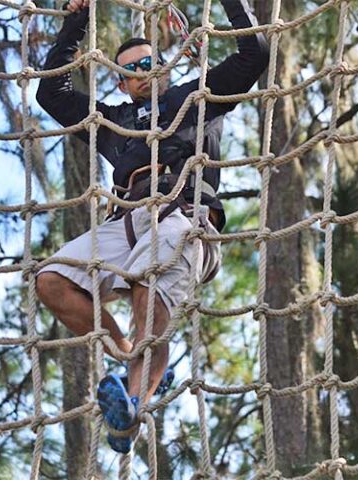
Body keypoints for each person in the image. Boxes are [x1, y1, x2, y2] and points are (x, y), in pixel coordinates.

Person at [35, 0, 268, 454]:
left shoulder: (196, 98)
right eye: (131, 70)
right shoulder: (114, 123)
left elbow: (254, 54)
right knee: (51, 280)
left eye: (149, 62)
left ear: (165, 64)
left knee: (148, 292)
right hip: (125, 223)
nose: (143, 71)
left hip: (183, 215)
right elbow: (52, 95)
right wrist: (78, 19)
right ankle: (127, 355)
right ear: (121, 83)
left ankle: (131, 414)